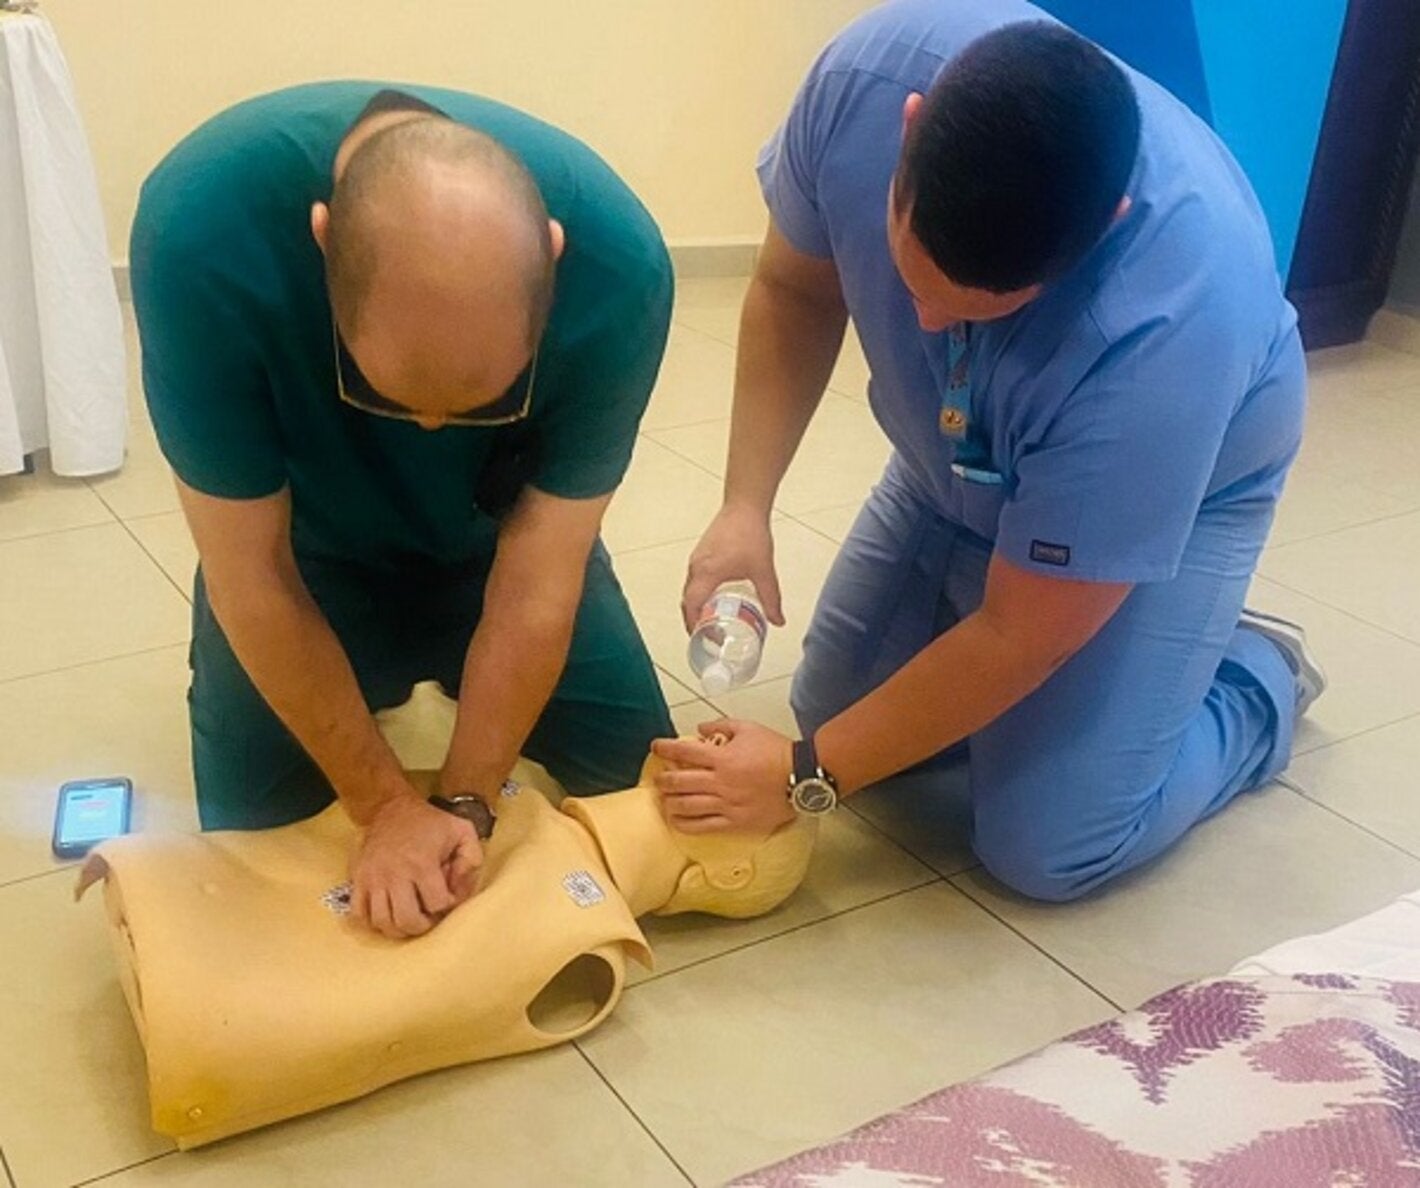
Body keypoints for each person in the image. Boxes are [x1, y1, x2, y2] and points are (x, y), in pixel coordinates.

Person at [658, 1, 1324, 902]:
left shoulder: (1173, 321)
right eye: (914, 282)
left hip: (1185, 483)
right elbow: (792, 291)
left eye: (979, 309)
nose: (929, 326)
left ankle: (1251, 674)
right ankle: (1060, 628)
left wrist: (800, 776)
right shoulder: (862, 82)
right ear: (911, 131)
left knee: (1049, 845)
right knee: (834, 715)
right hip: (949, 463)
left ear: (1106, 227)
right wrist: (745, 506)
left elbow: (1019, 637)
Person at [130, 83, 675, 939]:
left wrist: (465, 802)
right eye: (389, 396)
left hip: (497, 547)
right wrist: (384, 806)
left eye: (481, 402)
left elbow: (538, 582)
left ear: (553, 257)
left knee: (645, 799)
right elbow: (252, 575)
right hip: (306, 556)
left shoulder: (620, 271)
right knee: (254, 850)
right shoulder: (202, 235)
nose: (428, 430)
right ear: (320, 242)